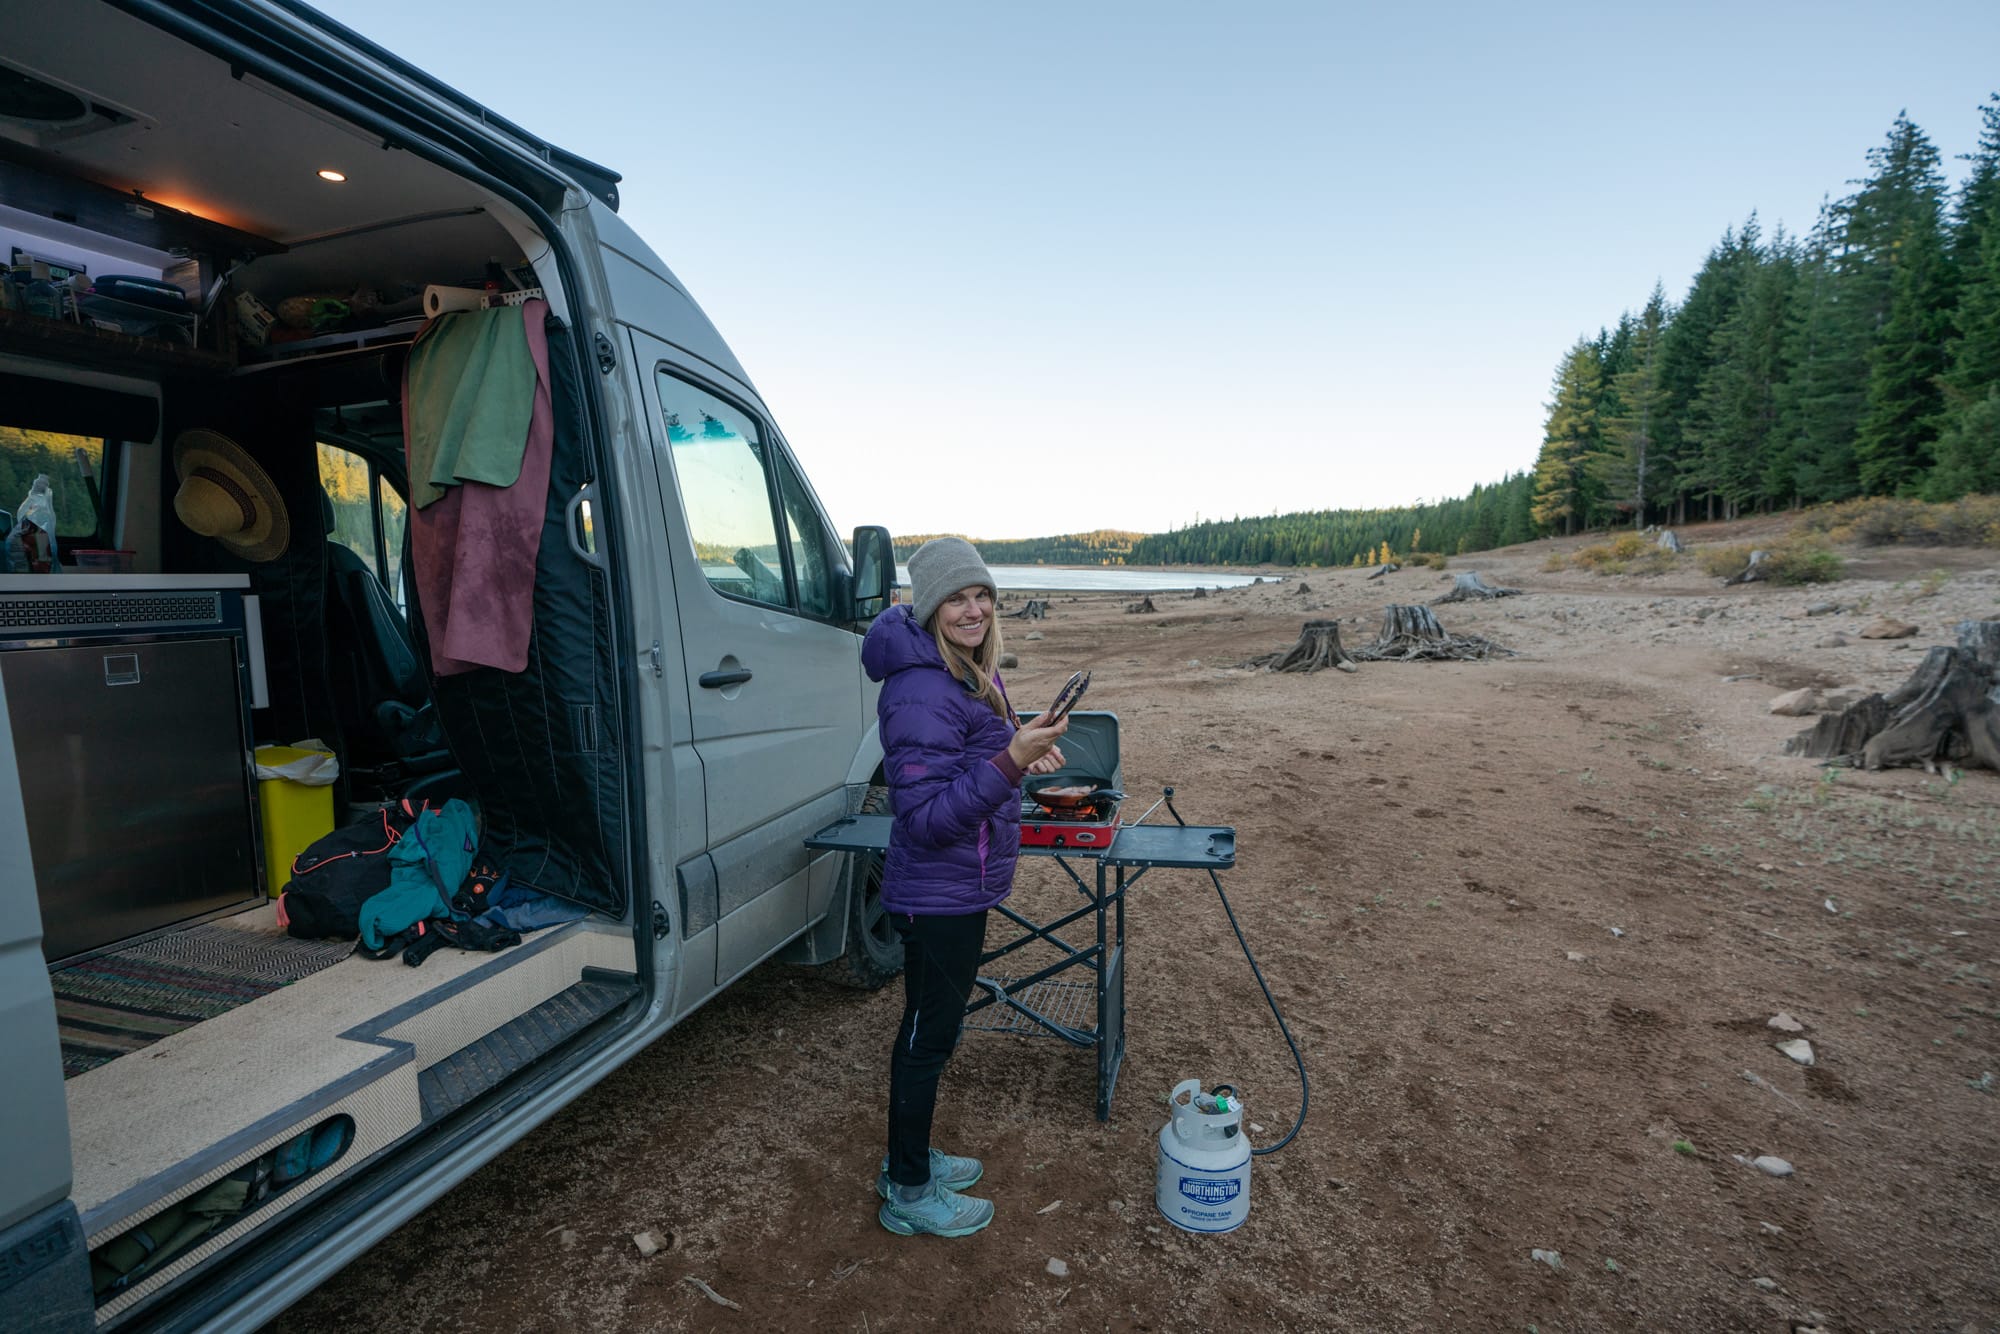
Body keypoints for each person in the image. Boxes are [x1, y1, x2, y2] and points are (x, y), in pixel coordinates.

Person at [860, 536, 1070, 1238]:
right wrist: (1012, 758)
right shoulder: (920, 688)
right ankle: (910, 1190)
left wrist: (1022, 747)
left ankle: (908, 1160)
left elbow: (965, 766)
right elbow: (923, 819)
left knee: (933, 1031)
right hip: (936, 893)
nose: (973, 609)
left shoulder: (961, 674)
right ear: (928, 609)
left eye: (981, 595)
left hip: (958, 888)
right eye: (957, 598)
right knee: (927, 1037)